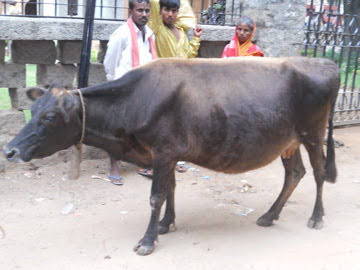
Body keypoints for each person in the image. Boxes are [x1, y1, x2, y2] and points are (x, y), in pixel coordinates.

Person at [137, 0, 201, 178]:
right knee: (157, 125)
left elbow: (188, 56)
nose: (170, 14)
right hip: (161, 83)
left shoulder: (180, 32)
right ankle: (150, 163)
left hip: (180, 85)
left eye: (174, 11)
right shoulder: (157, 29)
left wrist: (195, 38)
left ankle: (174, 160)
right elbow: (155, 7)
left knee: (177, 124)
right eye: (167, 10)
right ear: (161, 11)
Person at [103, 0, 157, 185]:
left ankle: (142, 163)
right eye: (140, 10)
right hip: (123, 88)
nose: (144, 14)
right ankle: (114, 166)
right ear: (131, 11)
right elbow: (110, 62)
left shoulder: (149, 34)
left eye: (147, 11)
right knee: (119, 129)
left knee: (142, 126)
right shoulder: (121, 34)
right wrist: (115, 86)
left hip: (143, 88)